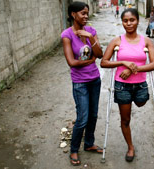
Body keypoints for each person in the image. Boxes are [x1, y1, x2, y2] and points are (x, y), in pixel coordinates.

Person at [101, 8, 154, 162]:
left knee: (141, 102)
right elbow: (104, 62)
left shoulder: (146, 41)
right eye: (125, 21)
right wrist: (122, 62)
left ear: (137, 21)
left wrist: (134, 69)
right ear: (122, 22)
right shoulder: (117, 41)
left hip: (140, 84)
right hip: (122, 86)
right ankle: (130, 147)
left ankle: (136, 99)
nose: (129, 23)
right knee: (125, 119)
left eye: (132, 20)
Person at [61, 1, 103, 166]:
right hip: (80, 83)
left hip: (95, 80)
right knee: (83, 118)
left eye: (87, 13)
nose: (86, 16)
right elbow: (71, 62)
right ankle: (74, 149)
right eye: (83, 13)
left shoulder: (91, 31)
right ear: (73, 14)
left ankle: (89, 144)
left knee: (93, 115)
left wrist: (90, 38)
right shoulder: (67, 35)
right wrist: (90, 60)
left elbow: (99, 54)